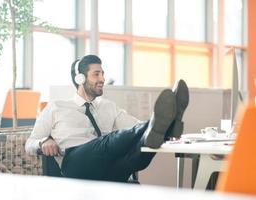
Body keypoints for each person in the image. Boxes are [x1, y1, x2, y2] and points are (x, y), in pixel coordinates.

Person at [25, 55, 189, 182]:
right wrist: (43, 141)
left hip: (106, 165)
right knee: (107, 141)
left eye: (102, 74)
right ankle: (165, 124)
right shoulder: (56, 106)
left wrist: (161, 130)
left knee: (139, 152)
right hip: (75, 164)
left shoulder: (108, 106)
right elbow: (29, 143)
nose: (102, 79)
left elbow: (136, 127)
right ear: (80, 78)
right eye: (96, 74)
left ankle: (167, 127)